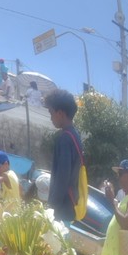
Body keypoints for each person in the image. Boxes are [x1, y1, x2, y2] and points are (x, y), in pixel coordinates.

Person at [45, 89, 83, 224]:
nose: (50, 117)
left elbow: (62, 177)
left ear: (60, 113)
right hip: (70, 206)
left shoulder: (65, 138)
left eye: (51, 113)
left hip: (61, 210)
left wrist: (51, 209)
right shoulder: (75, 136)